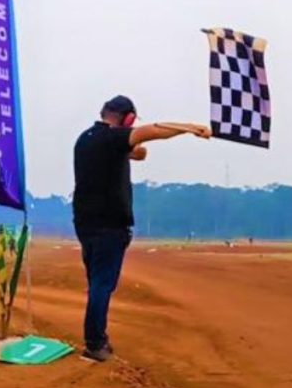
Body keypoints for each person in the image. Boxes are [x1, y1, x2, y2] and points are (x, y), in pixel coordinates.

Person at [73, 95, 210, 361]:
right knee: (102, 285)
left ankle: (97, 338)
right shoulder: (112, 139)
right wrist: (190, 127)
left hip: (85, 223)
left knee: (96, 283)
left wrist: (131, 146)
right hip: (110, 225)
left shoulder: (87, 139)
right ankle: (95, 344)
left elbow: (140, 152)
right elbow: (152, 132)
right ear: (128, 119)